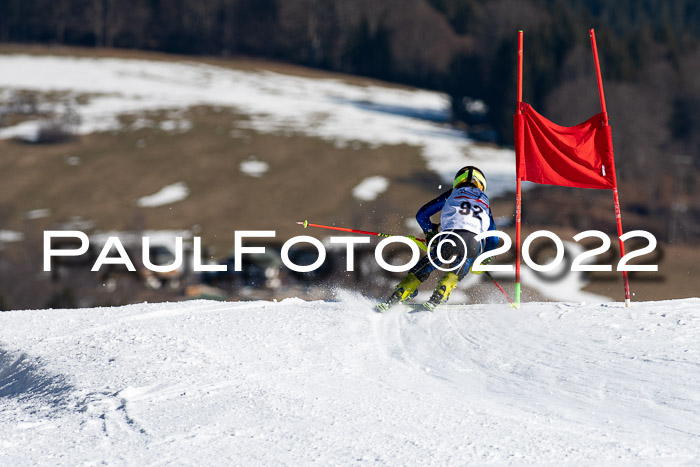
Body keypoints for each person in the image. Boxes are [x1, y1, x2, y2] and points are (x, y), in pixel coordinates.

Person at [376, 166, 499, 312]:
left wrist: (430, 233)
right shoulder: (484, 203)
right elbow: (493, 239)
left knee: (426, 266)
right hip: (473, 243)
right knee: (456, 272)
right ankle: (442, 292)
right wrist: (485, 258)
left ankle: (401, 292)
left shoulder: (453, 193)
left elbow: (422, 215)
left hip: (449, 236)